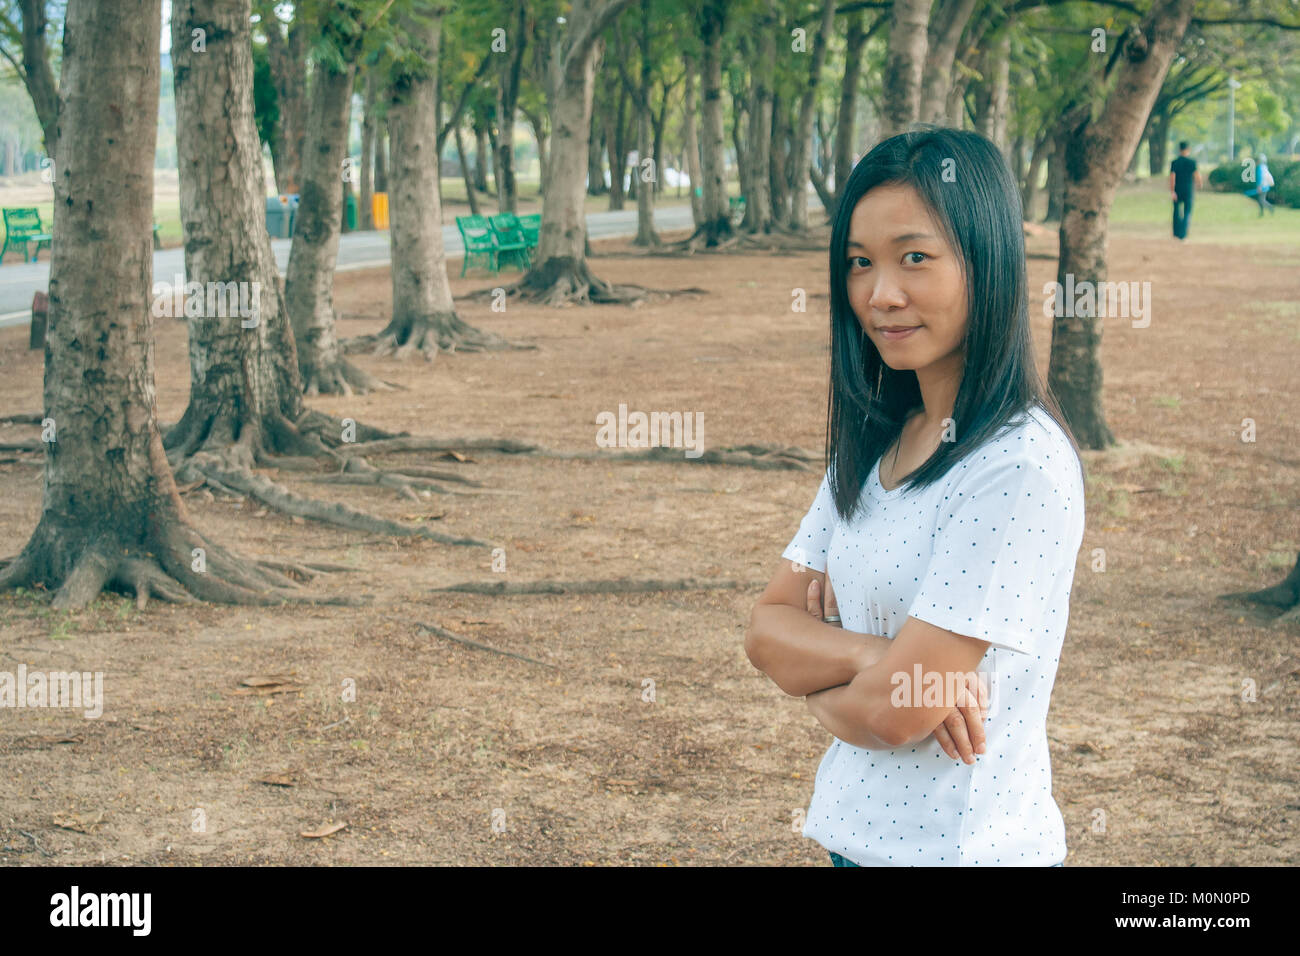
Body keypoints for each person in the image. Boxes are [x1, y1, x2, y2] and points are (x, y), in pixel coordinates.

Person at [744, 126, 1085, 867]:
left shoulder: (1017, 467)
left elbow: (897, 712)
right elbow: (766, 630)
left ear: (986, 261)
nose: (880, 293)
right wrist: (878, 656)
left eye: (915, 258)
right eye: (860, 263)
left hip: (965, 853)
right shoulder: (879, 442)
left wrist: (825, 682)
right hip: (853, 840)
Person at [1169, 141, 1202, 239]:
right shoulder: (1192, 162)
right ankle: (1183, 233)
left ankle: (1176, 233)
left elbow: (1172, 177)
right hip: (1188, 190)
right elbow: (1197, 176)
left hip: (1177, 190)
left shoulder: (1175, 162)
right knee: (1187, 211)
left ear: (1179, 150)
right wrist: (1199, 184)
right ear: (1188, 150)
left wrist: (1172, 191)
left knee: (1176, 211)